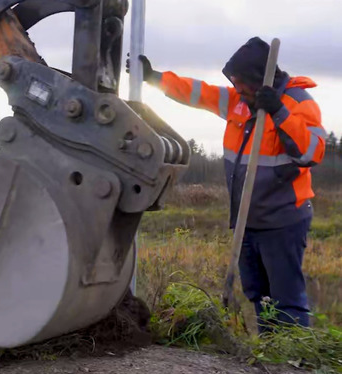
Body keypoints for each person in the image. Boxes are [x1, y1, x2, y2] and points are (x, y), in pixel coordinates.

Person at [129, 37, 326, 332]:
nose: (237, 90)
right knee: (259, 295)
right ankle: (271, 349)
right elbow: (197, 92)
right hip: (247, 221)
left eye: (241, 83)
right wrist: (154, 78)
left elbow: (312, 152)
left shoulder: (297, 103)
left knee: (286, 298)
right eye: (234, 83)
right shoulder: (238, 102)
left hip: (283, 220)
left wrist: (278, 113)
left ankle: (293, 359)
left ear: (260, 80)